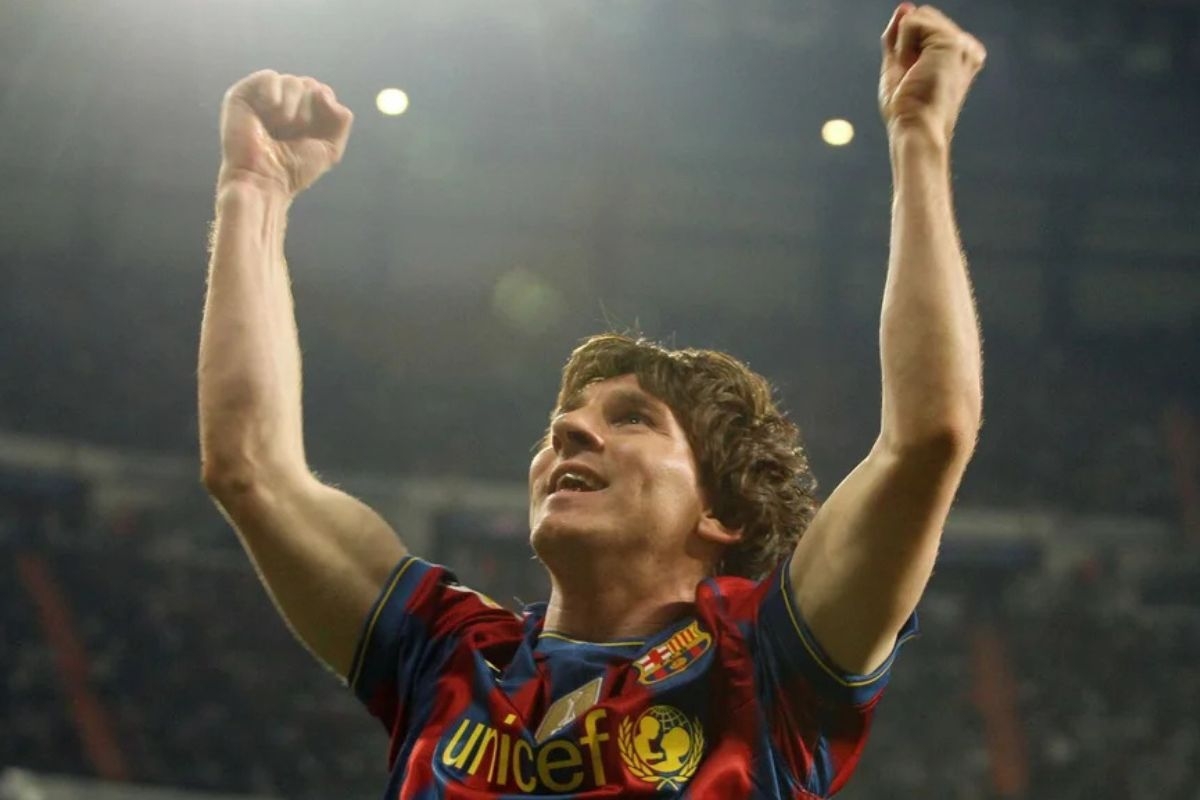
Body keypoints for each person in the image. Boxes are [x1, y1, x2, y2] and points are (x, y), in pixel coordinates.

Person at [198, 4, 986, 797]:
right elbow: (251, 471)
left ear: (721, 512)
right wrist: (253, 189)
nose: (570, 429)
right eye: (562, 421)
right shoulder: (445, 655)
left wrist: (919, 139)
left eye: (632, 418)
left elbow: (926, 439)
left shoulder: (768, 664)